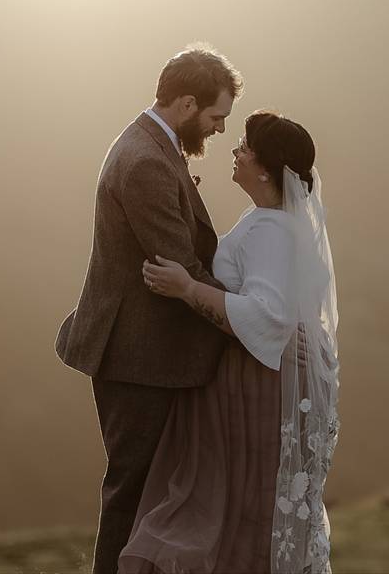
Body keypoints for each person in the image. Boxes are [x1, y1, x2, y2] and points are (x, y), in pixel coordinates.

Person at [120, 111, 340, 573]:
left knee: (239, 503)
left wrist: (187, 288)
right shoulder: (269, 219)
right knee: (246, 502)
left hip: (254, 382)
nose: (235, 151)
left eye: (244, 146)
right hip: (263, 371)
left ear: (264, 168)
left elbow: (266, 314)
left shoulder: (271, 231)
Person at [54, 43, 244, 574]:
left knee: (145, 489)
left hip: (148, 354)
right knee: (132, 489)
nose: (219, 130)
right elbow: (178, 264)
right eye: (215, 117)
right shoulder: (145, 163)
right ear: (186, 104)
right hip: (138, 356)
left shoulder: (153, 147)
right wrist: (248, 319)